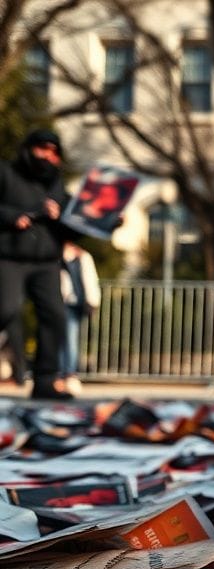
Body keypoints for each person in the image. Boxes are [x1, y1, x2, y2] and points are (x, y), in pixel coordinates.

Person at [0, 129, 82, 400]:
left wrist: (104, 222)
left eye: (53, 151)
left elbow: (75, 227)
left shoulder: (58, 186)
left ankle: (45, 381)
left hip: (46, 262)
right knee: (6, 308)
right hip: (10, 257)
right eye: (42, 149)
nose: (47, 155)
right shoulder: (7, 174)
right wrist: (12, 217)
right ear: (29, 148)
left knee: (55, 317)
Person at [59, 242, 101, 396]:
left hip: (75, 303)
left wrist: (92, 301)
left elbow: (90, 280)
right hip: (61, 301)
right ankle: (62, 372)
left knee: (70, 338)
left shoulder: (82, 256)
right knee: (61, 339)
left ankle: (69, 372)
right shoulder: (58, 257)